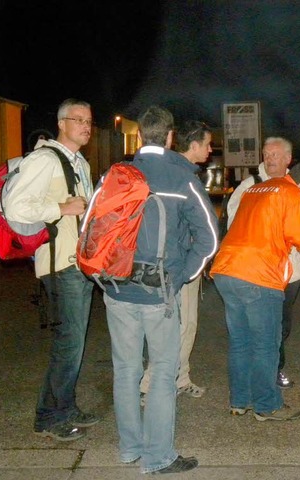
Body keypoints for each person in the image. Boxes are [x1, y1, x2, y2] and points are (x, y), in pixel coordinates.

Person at [103, 106, 218, 474]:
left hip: (116, 291)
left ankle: (129, 448)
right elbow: (209, 238)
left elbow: (94, 231)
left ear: (138, 137)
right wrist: (182, 275)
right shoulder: (181, 177)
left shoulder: (116, 175)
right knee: (164, 373)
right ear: (170, 137)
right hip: (158, 293)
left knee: (125, 371)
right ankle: (157, 457)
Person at [4, 98, 97, 442]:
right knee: (67, 344)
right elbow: (16, 206)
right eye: (78, 120)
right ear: (61, 123)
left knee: (74, 343)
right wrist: (61, 206)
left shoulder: (80, 163)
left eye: (89, 121)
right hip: (59, 265)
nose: (86, 126)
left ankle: (67, 407)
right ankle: (48, 416)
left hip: (79, 263)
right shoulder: (44, 159)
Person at [211, 138, 300, 421]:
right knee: (266, 343)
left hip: (226, 269)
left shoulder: (254, 188)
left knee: (240, 341)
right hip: (258, 274)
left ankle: (239, 400)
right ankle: (266, 405)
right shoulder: (292, 193)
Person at [139, 120, 213, 403]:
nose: (209, 149)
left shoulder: (181, 171)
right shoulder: (179, 174)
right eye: (206, 144)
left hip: (183, 263)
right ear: (193, 145)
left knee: (188, 324)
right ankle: (150, 387)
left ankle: (180, 378)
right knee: (173, 329)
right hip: (176, 265)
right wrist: (189, 267)